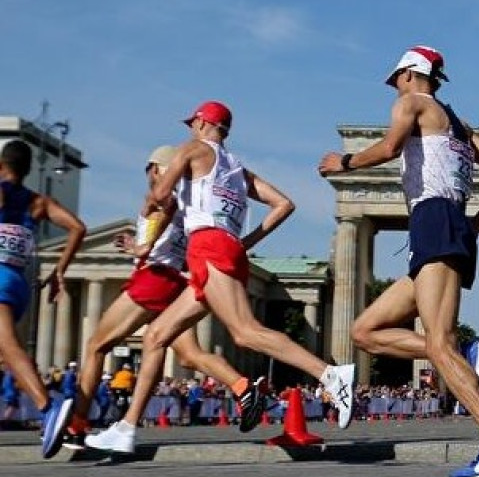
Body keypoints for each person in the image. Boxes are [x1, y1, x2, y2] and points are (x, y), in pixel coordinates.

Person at [91, 101, 357, 453]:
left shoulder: (193, 150)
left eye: (192, 123)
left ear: (202, 123)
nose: (190, 129)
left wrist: (151, 204)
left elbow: (159, 195)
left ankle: (330, 374)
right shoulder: (235, 168)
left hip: (207, 245)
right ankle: (126, 428)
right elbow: (284, 204)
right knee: (156, 335)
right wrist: (245, 241)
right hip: (224, 246)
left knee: (245, 332)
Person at [319, 44, 479, 477]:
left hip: (433, 218)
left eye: (395, 78)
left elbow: (392, 146)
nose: (393, 87)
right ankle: (463, 353)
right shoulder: (458, 124)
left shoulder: (411, 104)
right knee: (365, 331)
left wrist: (346, 163)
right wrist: (475, 224)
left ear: (411, 74)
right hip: (444, 224)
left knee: (436, 341)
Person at [72, 145, 268, 453]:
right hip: (175, 280)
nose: (150, 175)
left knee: (97, 344)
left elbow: (166, 209)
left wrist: (142, 248)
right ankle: (243, 387)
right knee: (190, 355)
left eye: (151, 168)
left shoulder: (168, 197)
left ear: (157, 169)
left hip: (155, 277)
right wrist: (139, 244)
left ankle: (77, 424)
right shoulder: (191, 199)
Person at [0, 139, 86, 457]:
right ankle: (48, 404)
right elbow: (77, 227)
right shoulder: (38, 201)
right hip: (19, 280)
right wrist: (60, 270)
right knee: (8, 352)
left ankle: (48, 406)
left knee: (9, 346)